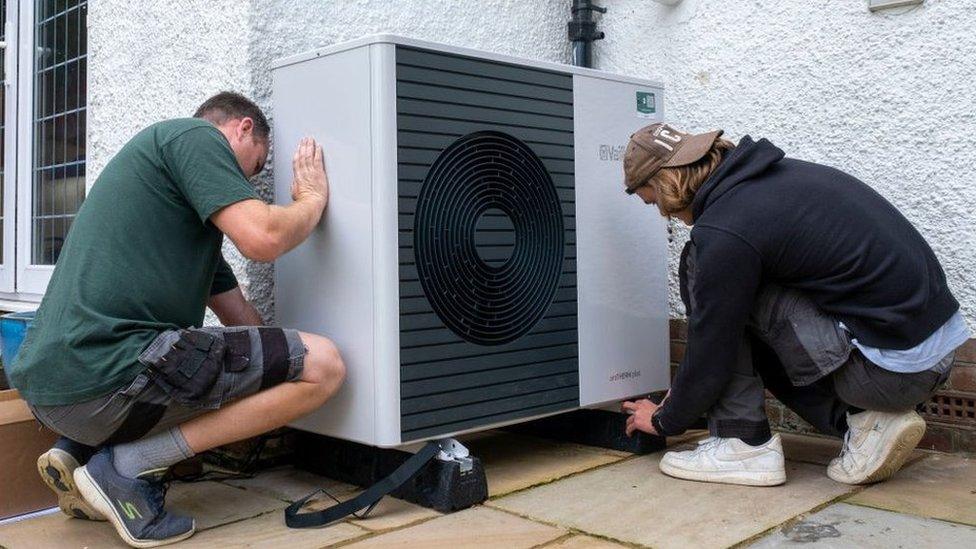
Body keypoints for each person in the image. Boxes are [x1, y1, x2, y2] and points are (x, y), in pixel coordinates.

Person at [8, 92, 345, 547]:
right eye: (258, 164)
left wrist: (276, 367)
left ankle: (79, 452)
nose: (251, 178)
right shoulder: (195, 136)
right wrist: (311, 200)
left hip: (57, 389)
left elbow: (241, 320)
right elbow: (263, 237)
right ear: (241, 128)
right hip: (104, 379)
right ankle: (124, 470)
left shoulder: (184, 221)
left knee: (237, 358)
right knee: (323, 365)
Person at [619, 123, 970, 487]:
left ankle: (743, 445)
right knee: (734, 302)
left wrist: (666, 420)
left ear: (666, 185)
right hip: (928, 359)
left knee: (702, 268)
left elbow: (714, 342)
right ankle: (866, 425)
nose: (665, 215)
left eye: (653, 201)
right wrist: (688, 395)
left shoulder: (726, 229)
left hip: (890, 374)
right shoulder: (770, 182)